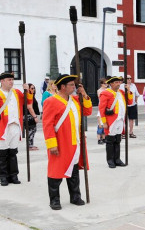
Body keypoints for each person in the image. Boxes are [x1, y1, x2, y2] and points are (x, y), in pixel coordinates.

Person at [42, 74, 92, 210]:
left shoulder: (75, 99)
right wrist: (52, 144)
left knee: (74, 170)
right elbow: (47, 125)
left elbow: (87, 111)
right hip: (60, 142)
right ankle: (54, 200)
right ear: (62, 87)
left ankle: (75, 196)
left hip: (75, 142)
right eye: (71, 85)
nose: (74, 87)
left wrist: (84, 94)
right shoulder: (51, 101)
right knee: (56, 172)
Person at [0, 72, 34, 186]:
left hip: (15, 125)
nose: (11, 82)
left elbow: (28, 102)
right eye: (9, 79)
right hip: (3, 127)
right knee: (2, 153)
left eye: (12, 79)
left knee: (13, 152)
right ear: (2, 81)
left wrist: (27, 91)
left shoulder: (17, 92)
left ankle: (13, 175)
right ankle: (3, 176)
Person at [99, 76, 133, 168]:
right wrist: (104, 122)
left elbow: (130, 102)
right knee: (110, 141)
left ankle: (117, 159)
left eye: (119, 82)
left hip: (121, 119)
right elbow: (101, 108)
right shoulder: (105, 93)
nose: (119, 84)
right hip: (111, 120)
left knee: (118, 140)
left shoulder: (121, 92)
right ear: (111, 84)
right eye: (116, 82)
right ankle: (110, 160)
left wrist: (129, 91)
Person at [26, 83, 40, 150]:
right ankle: (30, 146)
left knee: (32, 130)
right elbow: (29, 107)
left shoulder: (31, 96)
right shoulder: (28, 96)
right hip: (29, 115)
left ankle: (31, 145)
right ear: (28, 89)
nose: (33, 89)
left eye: (34, 88)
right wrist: (34, 117)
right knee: (31, 130)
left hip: (30, 115)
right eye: (31, 88)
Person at [96, 78, 108, 145]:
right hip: (101, 105)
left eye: (106, 83)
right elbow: (100, 97)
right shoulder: (99, 90)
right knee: (100, 124)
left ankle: (104, 138)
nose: (106, 84)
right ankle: (99, 138)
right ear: (101, 84)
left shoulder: (107, 90)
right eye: (104, 83)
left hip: (106, 106)